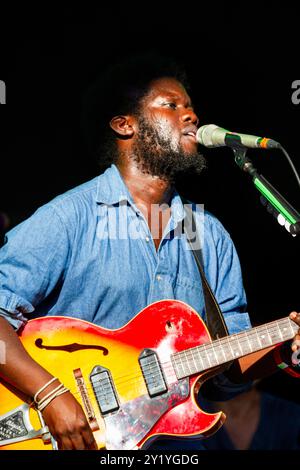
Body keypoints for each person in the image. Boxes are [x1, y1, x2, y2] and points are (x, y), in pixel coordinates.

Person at [0, 52, 299, 451]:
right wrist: (50, 394)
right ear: (125, 126)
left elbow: (228, 374)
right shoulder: (68, 218)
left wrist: (284, 353)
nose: (190, 116)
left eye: (191, 107)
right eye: (171, 105)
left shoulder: (209, 236)